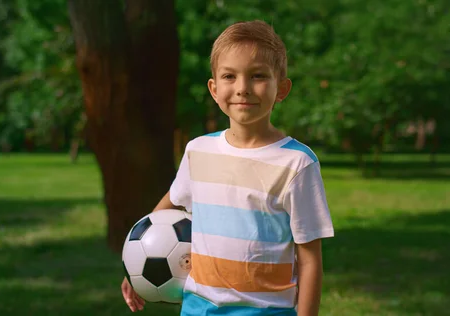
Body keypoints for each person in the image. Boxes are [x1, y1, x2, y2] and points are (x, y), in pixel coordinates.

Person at [121, 20, 334, 316]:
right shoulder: (199, 151)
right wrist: (137, 265)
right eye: (229, 76)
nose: (243, 88)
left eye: (258, 76)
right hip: (198, 309)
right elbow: (167, 207)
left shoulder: (297, 163)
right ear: (214, 88)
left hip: (267, 311)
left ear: (282, 88)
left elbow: (310, 259)